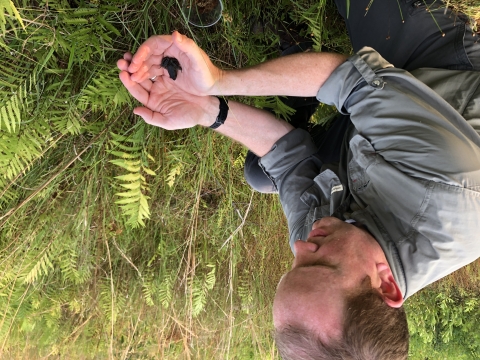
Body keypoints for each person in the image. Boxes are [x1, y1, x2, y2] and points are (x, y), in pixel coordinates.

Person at [117, 0, 480, 358]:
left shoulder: (319, 256)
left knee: (259, 174)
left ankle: (296, 72)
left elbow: (287, 159)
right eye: (319, 264)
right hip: (441, 74)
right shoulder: (447, 187)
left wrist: (203, 108)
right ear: (386, 283)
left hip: (380, 137)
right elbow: (348, 78)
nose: (302, 247)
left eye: (294, 268)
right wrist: (219, 80)